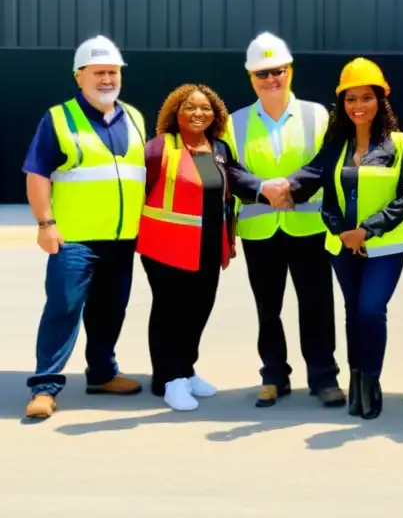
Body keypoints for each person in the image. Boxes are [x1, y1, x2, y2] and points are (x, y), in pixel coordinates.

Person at [283, 58, 403, 420]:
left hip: (385, 246)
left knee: (370, 309)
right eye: (350, 99)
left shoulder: (399, 144)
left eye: (366, 97)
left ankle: (371, 381)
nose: (359, 106)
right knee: (352, 312)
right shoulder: (337, 145)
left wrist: (369, 229)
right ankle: (356, 380)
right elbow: (326, 193)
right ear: (342, 104)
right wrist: (342, 232)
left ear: (381, 100)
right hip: (343, 246)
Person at [22, 36, 147, 420]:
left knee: (111, 309)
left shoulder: (136, 117)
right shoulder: (58, 118)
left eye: (113, 71)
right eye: (99, 72)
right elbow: (37, 172)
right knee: (64, 308)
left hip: (122, 238)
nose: (107, 79)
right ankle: (45, 385)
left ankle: (103, 373)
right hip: (73, 237)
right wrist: (46, 224)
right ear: (80, 77)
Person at [224, 32, 344, 408]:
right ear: (251, 78)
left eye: (277, 71)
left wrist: (290, 186)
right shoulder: (235, 121)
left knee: (317, 304)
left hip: (307, 226)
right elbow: (229, 169)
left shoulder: (316, 114)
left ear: (290, 71)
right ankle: (274, 375)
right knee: (268, 307)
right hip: (260, 230)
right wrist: (263, 187)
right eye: (262, 74)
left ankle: (324, 377)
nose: (271, 79)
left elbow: (325, 161)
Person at [136, 84, 266, 411]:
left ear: (215, 114)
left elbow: (232, 188)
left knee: (198, 310)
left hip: (208, 246)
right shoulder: (158, 148)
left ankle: (186, 368)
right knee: (170, 313)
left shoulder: (218, 148)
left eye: (205, 108)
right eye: (190, 107)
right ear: (175, 113)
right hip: (166, 248)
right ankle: (169, 378)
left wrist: (232, 234)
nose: (198, 113)